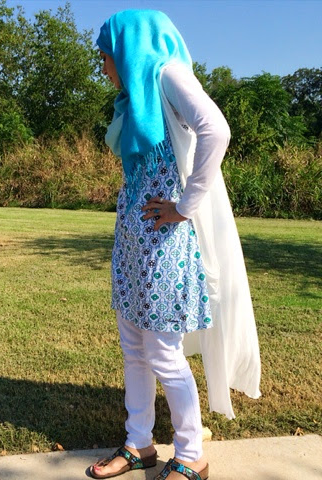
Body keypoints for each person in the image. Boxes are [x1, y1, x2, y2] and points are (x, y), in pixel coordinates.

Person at [89, 10, 261, 480]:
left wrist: (185, 206)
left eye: (106, 56)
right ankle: (139, 444)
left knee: (164, 352)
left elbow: (216, 130)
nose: (103, 67)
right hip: (133, 242)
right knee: (133, 349)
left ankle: (191, 454)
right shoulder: (134, 96)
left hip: (164, 244)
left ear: (127, 49)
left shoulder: (167, 75)